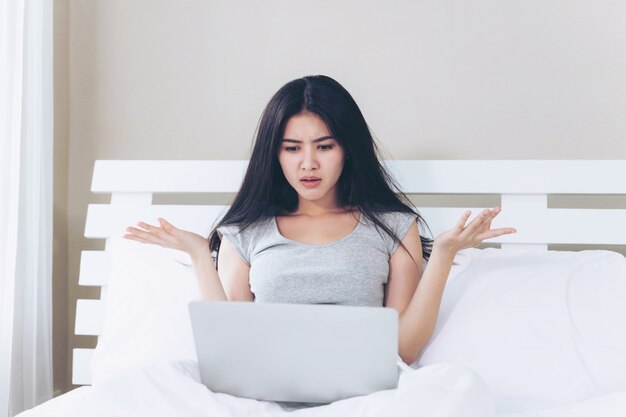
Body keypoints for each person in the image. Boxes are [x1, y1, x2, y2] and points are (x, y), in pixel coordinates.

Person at [123, 75, 515, 415]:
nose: (308, 163)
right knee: (144, 387)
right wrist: (198, 255)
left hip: (366, 400)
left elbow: (404, 351)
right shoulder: (245, 233)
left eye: (324, 147)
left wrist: (443, 255)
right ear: (274, 154)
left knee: (460, 387)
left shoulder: (394, 227)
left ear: (348, 149)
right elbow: (229, 353)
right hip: (263, 399)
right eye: (292, 148)